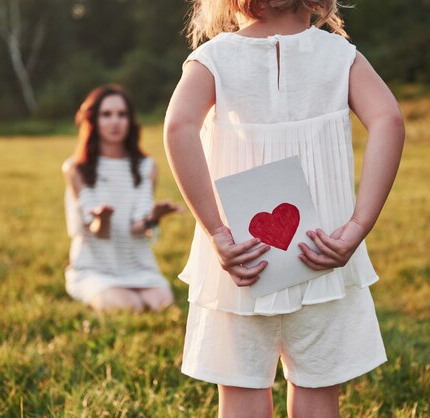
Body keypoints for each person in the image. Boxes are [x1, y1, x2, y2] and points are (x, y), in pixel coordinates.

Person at [164, 0, 405, 416]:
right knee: (317, 389)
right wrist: (358, 225)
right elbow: (389, 121)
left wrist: (217, 232)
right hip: (324, 249)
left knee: (241, 393)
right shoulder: (340, 56)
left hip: (243, 255)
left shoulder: (212, 59)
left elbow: (178, 127)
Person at [63, 85, 178, 313]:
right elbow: (99, 232)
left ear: (130, 121)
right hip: (95, 268)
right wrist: (102, 218)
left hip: (137, 265)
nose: (115, 121)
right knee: (128, 306)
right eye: (106, 114)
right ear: (93, 120)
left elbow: (138, 227)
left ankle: (135, 288)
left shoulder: (146, 167)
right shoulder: (76, 169)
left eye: (122, 114)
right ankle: (100, 290)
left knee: (162, 303)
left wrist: (153, 218)